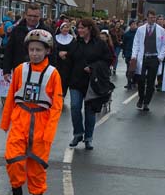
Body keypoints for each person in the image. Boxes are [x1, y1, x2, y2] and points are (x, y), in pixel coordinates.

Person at [1, 29, 63, 195]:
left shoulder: (53, 74)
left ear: (47, 51)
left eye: (39, 50)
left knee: (36, 168)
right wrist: (6, 122)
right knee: (13, 160)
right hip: (20, 120)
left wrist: (49, 133)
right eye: (31, 49)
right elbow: (11, 96)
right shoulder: (20, 70)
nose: (35, 53)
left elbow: (57, 105)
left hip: (41, 124)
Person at [66, 19, 112, 150]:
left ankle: (88, 138)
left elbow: (108, 60)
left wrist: (93, 67)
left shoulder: (100, 44)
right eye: (78, 28)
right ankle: (78, 133)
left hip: (93, 83)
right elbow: (69, 61)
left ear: (90, 29)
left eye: (82, 28)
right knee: (75, 107)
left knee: (90, 112)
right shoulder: (75, 44)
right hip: (76, 82)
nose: (79, 30)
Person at [130, 10, 165, 112]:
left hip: (154, 58)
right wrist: (134, 56)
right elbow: (136, 43)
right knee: (141, 80)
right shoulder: (140, 30)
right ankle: (141, 98)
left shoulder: (161, 30)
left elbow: (164, 45)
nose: (153, 19)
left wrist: (160, 58)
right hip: (143, 58)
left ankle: (146, 102)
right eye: (151, 17)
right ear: (147, 18)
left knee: (151, 82)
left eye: (154, 18)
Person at [3, 5, 44, 74]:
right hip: (19, 69)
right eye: (30, 15)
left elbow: (52, 53)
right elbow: (9, 50)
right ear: (25, 15)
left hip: (41, 71)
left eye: (35, 16)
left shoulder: (46, 31)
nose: (32, 18)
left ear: (40, 16)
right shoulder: (16, 30)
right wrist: (6, 70)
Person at [53, 20, 75, 97]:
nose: (65, 29)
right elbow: (53, 48)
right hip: (57, 62)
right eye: (64, 27)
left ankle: (63, 94)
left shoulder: (72, 39)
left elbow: (74, 49)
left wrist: (66, 53)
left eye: (67, 27)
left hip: (67, 63)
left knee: (65, 79)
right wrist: (58, 53)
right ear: (60, 29)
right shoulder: (55, 37)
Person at [121, 19, 138, 89]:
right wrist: (124, 53)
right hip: (128, 53)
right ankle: (129, 82)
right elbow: (124, 44)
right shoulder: (126, 34)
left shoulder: (138, 33)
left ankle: (133, 82)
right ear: (130, 25)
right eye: (132, 24)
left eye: (135, 24)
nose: (134, 25)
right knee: (128, 68)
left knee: (133, 69)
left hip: (135, 53)